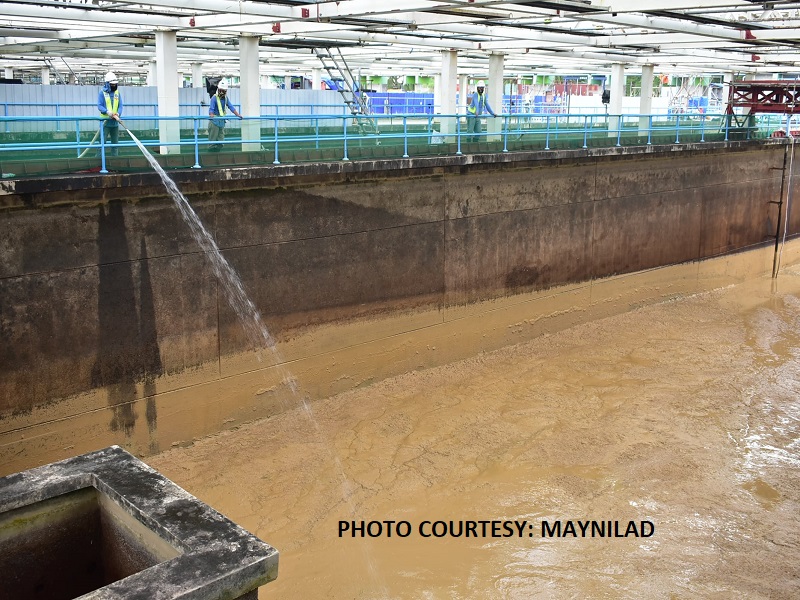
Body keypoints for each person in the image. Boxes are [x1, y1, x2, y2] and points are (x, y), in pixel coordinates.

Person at [208, 79, 242, 152]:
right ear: (219, 89)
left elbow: (231, 107)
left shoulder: (226, 98)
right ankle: (211, 153)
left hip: (221, 122)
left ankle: (217, 152)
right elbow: (211, 109)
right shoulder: (214, 98)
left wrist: (238, 115)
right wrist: (211, 115)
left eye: (224, 91)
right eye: (221, 90)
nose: (222, 92)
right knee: (212, 139)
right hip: (214, 121)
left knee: (221, 140)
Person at [97, 71, 123, 156]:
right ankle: (99, 161)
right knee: (102, 143)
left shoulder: (117, 93)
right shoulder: (102, 93)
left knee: (115, 144)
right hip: (105, 123)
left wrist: (118, 114)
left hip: (115, 123)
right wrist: (107, 112)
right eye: (112, 84)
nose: (114, 86)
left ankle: (115, 161)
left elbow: (120, 106)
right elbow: (99, 106)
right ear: (107, 84)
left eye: (115, 84)